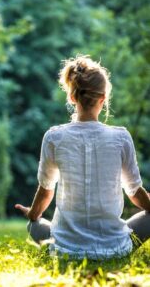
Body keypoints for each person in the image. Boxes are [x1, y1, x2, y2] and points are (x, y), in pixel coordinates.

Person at [15, 55, 150, 260]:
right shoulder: (120, 137)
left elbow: (45, 191)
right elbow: (134, 193)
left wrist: (33, 214)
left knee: (33, 225)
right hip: (115, 248)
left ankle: (61, 239)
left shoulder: (54, 137)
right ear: (103, 99)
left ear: (72, 97)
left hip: (65, 250)